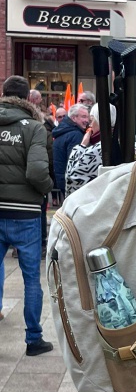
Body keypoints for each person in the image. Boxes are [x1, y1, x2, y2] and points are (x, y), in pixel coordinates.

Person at [0, 76, 54, 354]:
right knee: (31, 278)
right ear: (26, 99)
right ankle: (33, 339)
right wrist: (47, 189)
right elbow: (36, 171)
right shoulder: (34, 128)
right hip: (25, 212)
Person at [28, 89, 53, 254]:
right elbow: (46, 161)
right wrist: (47, 184)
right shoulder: (40, 129)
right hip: (33, 186)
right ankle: (40, 244)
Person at [52, 102, 89, 197]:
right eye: (83, 117)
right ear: (73, 118)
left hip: (63, 181)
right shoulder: (76, 135)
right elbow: (76, 163)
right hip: (73, 184)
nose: (87, 120)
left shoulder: (62, 132)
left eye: (87, 117)